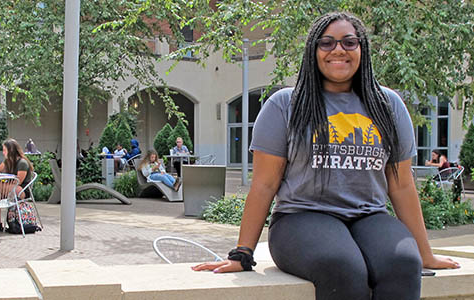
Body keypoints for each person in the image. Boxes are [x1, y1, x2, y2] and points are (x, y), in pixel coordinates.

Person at [192, 12, 459, 300]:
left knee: (405, 263)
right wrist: (242, 253)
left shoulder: (388, 105)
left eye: (349, 42)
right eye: (327, 43)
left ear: (362, 50)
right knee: (342, 266)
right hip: (301, 218)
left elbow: (402, 185)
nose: (339, 50)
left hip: (369, 216)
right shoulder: (285, 105)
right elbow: (264, 185)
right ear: (313, 51)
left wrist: (425, 253)